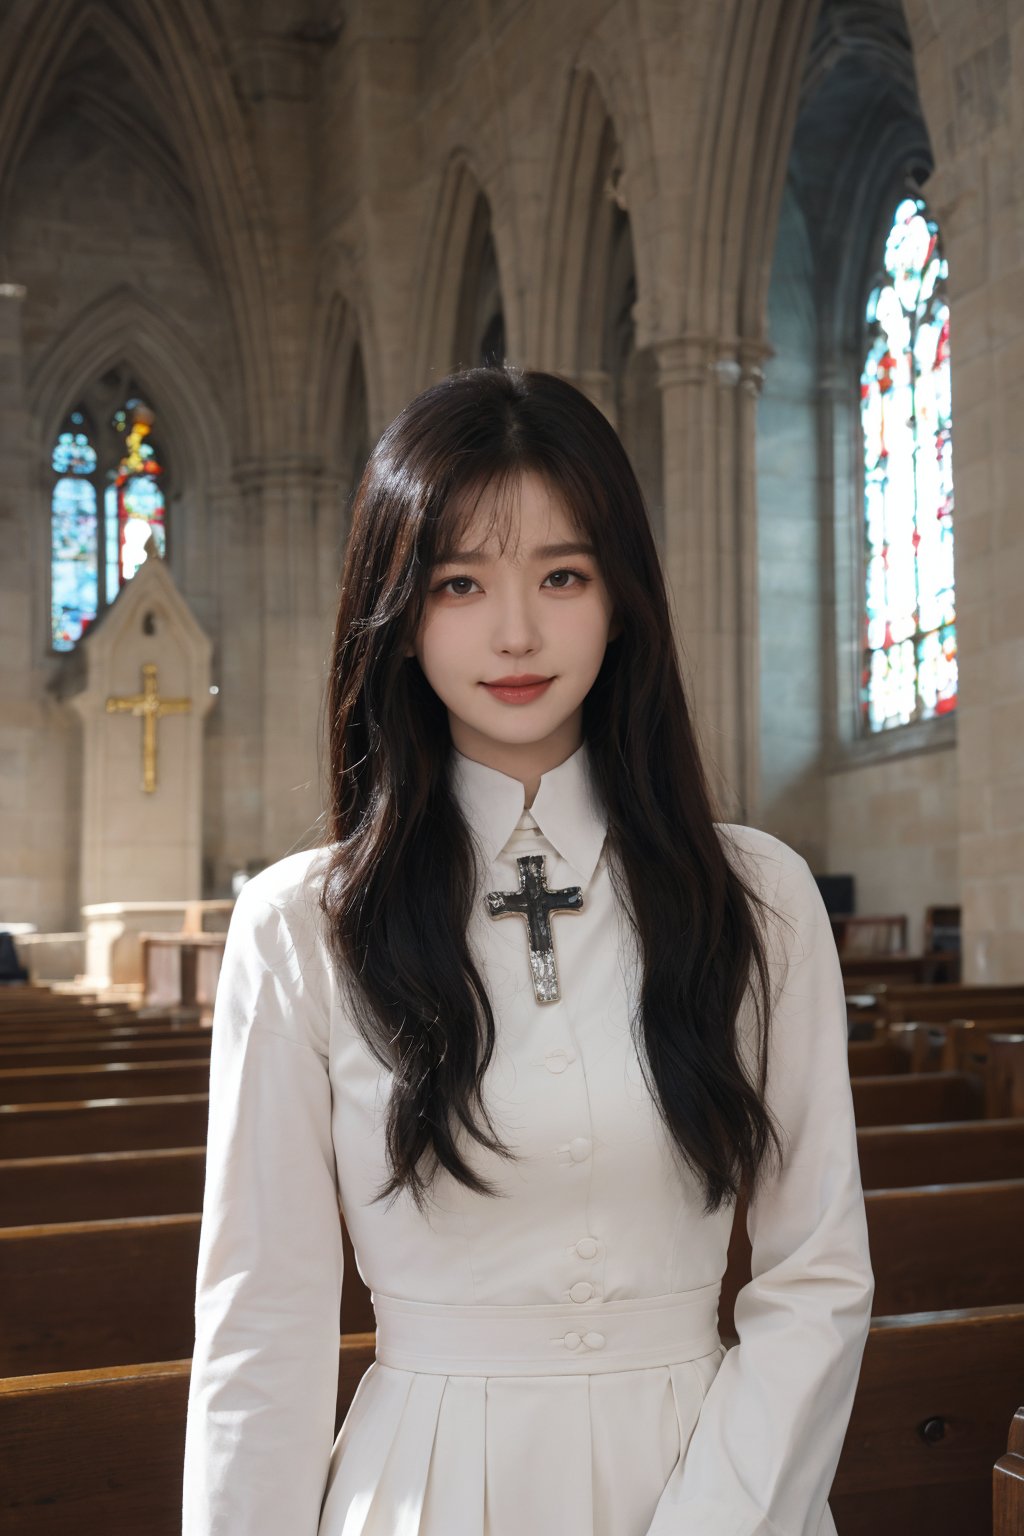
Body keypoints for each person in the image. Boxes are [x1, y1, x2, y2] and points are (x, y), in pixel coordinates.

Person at [182, 363, 874, 1536]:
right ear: (397, 617)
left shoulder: (757, 897)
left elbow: (816, 1273)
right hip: (429, 1486)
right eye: (459, 582)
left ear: (621, 600)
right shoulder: (304, 926)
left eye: (562, 574)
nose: (514, 631)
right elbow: (263, 1323)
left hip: (716, 1481)